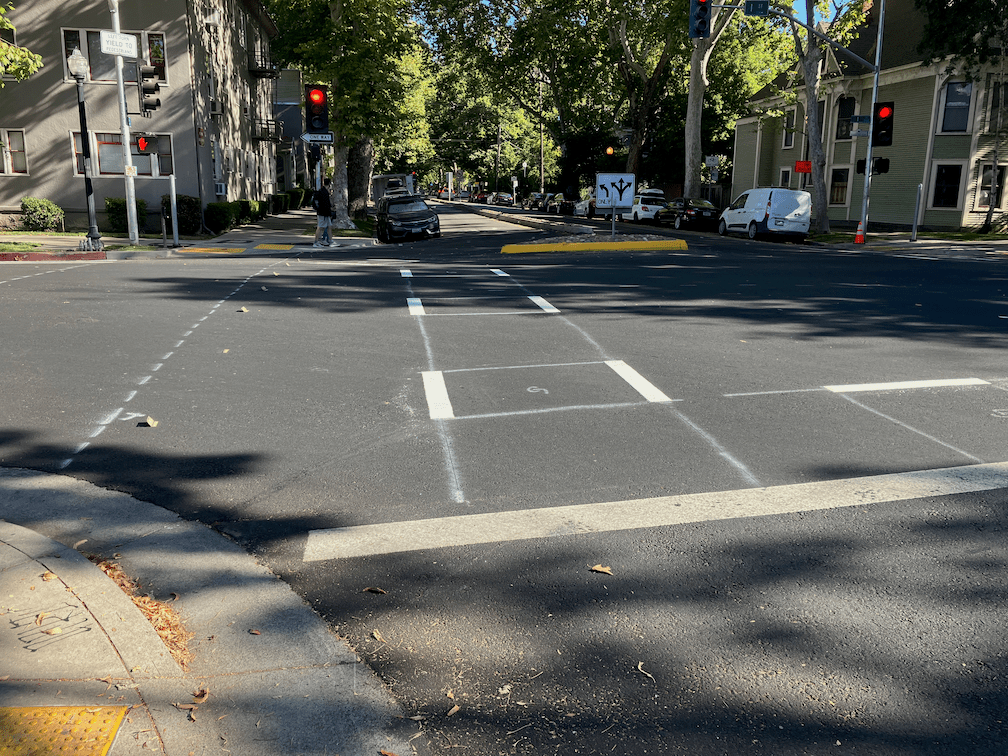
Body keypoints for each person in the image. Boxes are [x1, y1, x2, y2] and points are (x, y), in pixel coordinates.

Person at [312, 178, 334, 247]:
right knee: (320, 227)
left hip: (323, 213)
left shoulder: (322, 191)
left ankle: (330, 240)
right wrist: (330, 212)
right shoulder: (324, 193)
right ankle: (316, 242)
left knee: (329, 226)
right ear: (329, 184)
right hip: (323, 213)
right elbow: (326, 204)